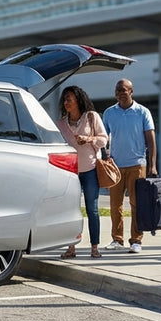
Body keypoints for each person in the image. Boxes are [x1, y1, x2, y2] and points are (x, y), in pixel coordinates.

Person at [102, 78, 158, 253]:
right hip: (115, 167)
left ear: (131, 91)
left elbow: (151, 140)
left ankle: (136, 240)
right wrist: (105, 158)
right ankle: (117, 239)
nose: (119, 93)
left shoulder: (143, 112)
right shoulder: (109, 113)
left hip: (137, 164)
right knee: (115, 205)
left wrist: (153, 165)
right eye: (117, 90)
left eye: (123, 90)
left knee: (137, 204)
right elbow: (103, 139)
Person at [54, 86, 108, 259]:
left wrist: (89, 139)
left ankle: (94, 247)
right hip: (70, 173)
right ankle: (71, 248)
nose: (66, 102)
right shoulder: (61, 123)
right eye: (64, 99)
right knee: (71, 210)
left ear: (78, 99)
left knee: (92, 209)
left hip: (90, 170)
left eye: (69, 98)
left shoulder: (91, 117)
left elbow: (103, 139)